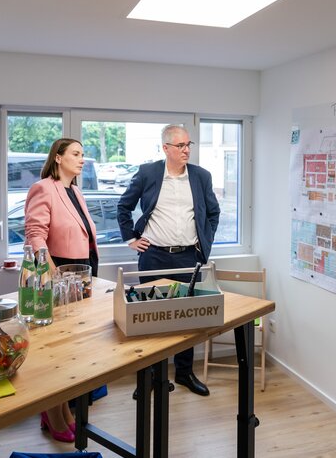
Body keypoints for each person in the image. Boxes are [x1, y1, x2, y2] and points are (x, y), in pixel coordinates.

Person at [117, 124, 220, 398]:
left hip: (188, 257)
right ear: (166, 148)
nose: (186, 150)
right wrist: (131, 238)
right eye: (180, 145)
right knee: (149, 318)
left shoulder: (201, 176)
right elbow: (124, 206)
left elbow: (213, 213)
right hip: (153, 256)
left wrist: (204, 243)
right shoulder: (148, 173)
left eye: (188, 145)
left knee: (186, 318)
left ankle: (184, 373)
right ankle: (150, 377)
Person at [24, 138, 99, 443]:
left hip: (81, 274)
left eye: (83, 154)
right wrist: (52, 274)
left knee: (73, 349)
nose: (82, 159)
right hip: (59, 274)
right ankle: (53, 413)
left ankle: (61, 410)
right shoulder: (44, 188)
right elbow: (35, 234)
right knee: (58, 350)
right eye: (76, 154)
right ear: (58, 157)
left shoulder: (75, 191)